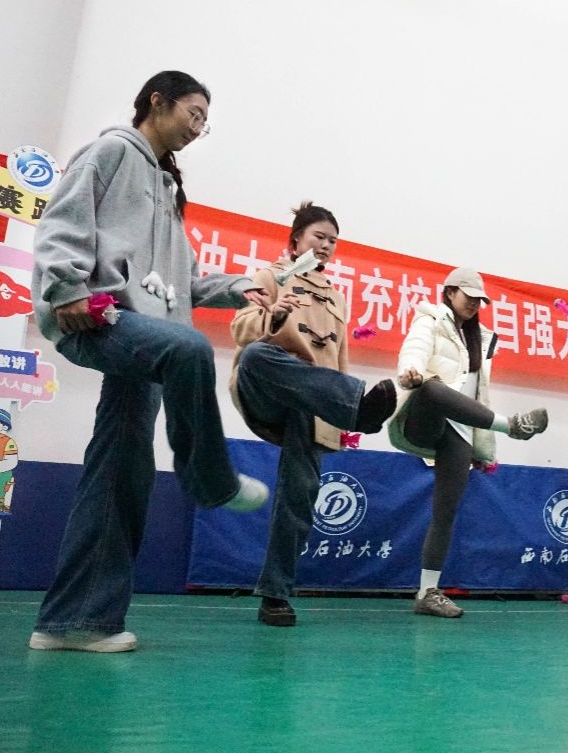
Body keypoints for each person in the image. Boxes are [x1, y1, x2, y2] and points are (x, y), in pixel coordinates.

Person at [29, 71, 272, 653]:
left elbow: (185, 284)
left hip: (145, 341)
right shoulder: (113, 152)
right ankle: (210, 481)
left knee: (121, 474)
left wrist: (242, 287)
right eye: (193, 114)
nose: (198, 128)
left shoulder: (167, 193)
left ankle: (74, 622)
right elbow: (63, 220)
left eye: (204, 122)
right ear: (157, 103)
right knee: (190, 349)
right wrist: (66, 288)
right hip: (96, 316)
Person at [230, 201, 397, 627]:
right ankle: (356, 406)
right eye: (319, 236)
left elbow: (338, 360)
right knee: (254, 357)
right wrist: (274, 315)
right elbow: (239, 329)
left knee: (299, 495)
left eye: (333, 241)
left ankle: (275, 595)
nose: (326, 245)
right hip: (268, 388)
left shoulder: (336, 298)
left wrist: (341, 414)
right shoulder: (270, 276)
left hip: (313, 402)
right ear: (295, 240)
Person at [389, 267, 549, 618]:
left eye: (480, 300)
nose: (475, 304)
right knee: (432, 387)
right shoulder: (430, 319)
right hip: (424, 418)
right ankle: (513, 426)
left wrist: (482, 446)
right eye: (469, 297)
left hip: (460, 431)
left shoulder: (481, 339)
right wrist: (410, 369)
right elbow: (415, 348)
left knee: (445, 512)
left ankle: (427, 593)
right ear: (449, 293)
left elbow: (478, 391)